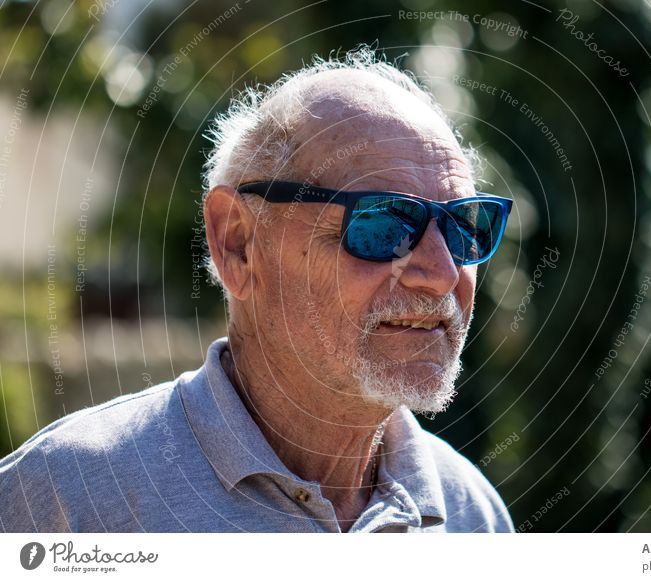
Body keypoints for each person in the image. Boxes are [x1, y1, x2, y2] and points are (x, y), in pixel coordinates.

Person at [0, 47, 514, 533]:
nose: (443, 272)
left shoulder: (472, 514)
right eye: (383, 224)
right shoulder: (69, 497)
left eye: (465, 225)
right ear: (239, 243)